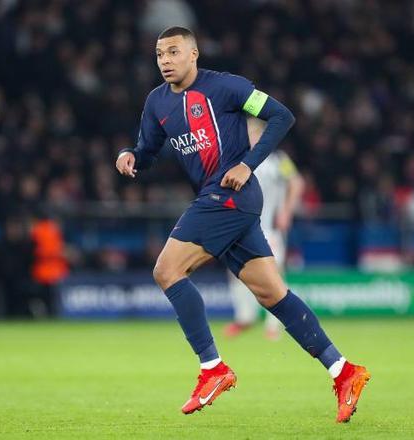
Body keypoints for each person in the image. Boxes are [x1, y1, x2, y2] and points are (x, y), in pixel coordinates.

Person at [115, 26, 369, 422]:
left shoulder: (227, 87)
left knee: (167, 270)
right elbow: (148, 151)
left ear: (194, 54)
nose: (165, 60)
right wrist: (129, 155)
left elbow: (282, 116)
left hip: (229, 195)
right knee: (272, 295)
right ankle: (344, 370)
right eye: (160, 54)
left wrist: (248, 164)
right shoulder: (157, 102)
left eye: (174, 52)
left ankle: (212, 368)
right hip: (224, 202)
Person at [224, 117, 304, 340]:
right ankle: (244, 318)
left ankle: (273, 325)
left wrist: (286, 211)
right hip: (242, 228)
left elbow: (297, 183)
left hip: (269, 228)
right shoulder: (238, 161)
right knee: (235, 271)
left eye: (252, 134)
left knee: (274, 274)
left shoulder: (278, 159)